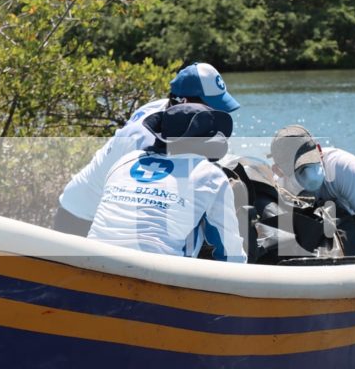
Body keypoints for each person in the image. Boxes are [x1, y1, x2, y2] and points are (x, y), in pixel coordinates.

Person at [55, 62, 240, 236]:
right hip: (81, 218)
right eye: (213, 109)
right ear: (185, 102)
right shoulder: (145, 140)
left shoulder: (165, 112)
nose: (217, 117)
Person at [88, 103, 247, 262]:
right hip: (158, 273)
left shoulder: (125, 161)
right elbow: (229, 252)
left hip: (90, 261)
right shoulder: (210, 175)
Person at [269, 124, 355, 255]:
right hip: (321, 242)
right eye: (294, 166)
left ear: (319, 150)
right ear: (279, 171)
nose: (307, 172)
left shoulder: (342, 168)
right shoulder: (278, 187)